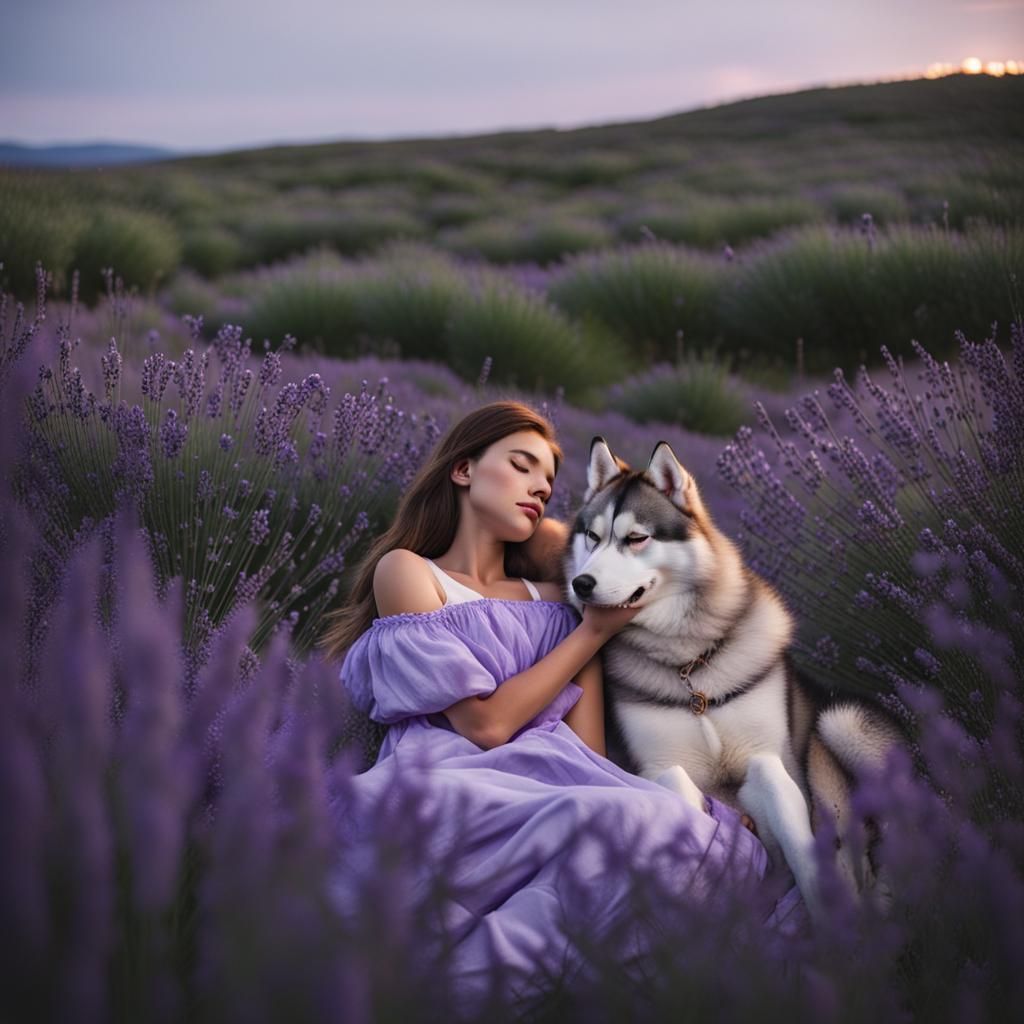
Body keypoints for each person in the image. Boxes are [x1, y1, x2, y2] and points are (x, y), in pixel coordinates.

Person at [320, 400, 789, 1014]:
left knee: (697, 841)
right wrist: (591, 633)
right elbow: (484, 725)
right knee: (628, 833)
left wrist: (700, 804)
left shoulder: (561, 602)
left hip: (558, 780)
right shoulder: (409, 572)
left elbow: (587, 755)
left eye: (547, 484)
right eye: (520, 466)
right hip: (448, 779)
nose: (539, 491)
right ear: (463, 471)